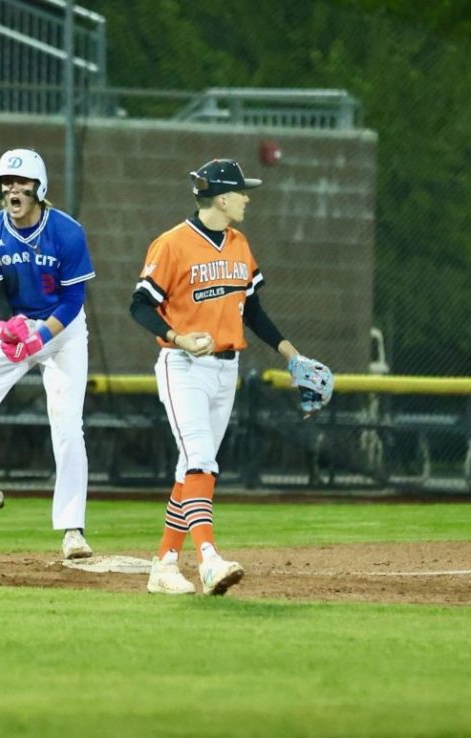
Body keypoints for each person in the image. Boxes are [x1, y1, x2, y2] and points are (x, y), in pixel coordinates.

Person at [130, 158, 331, 595]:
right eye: (242, 192)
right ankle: (208, 560)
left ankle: (164, 565)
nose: (247, 199)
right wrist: (176, 338)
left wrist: (292, 356)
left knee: (192, 468)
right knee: (202, 458)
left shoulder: (239, 244)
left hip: (227, 370)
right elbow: (139, 305)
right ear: (222, 198)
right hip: (183, 367)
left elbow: (253, 311)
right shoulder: (172, 244)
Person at [0, 148, 96, 560]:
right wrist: (6, 328)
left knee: (66, 428)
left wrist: (41, 336)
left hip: (61, 332)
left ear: (39, 188)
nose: (13, 189)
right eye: (6, 182)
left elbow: (73, 300)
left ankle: (72, 530)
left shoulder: (67, 232)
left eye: (21, 182)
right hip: (18, 329)